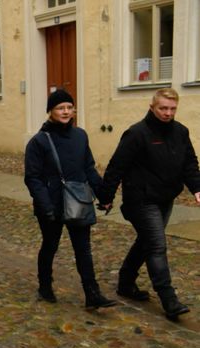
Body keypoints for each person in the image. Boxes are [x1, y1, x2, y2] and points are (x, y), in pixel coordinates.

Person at [98, 88, 200, 321]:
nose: (167, 113)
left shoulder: (181, 132)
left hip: (165, 198)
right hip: (141, 200)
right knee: (156, 245)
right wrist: (106, 196)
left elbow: (189, 163)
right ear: (152, 107)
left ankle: (125, 282)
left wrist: (196, 187)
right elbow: (116, 166)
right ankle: (169, 299)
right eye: (163, 108)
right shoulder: (137, 133)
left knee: (147, 241)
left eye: (172, 109)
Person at [23, 88, 116, 310]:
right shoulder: (38, 142)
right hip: (51, 205)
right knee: (50, 245)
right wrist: (45, 205)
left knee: (83, 249)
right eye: (60, 108)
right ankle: (45, 286)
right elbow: (33, 178)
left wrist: (103, 195)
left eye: (69, 107)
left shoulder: (80, 136)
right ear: (50, 111)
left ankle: (92, 294)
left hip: (77, 202)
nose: (65, 111)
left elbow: (89, 168)